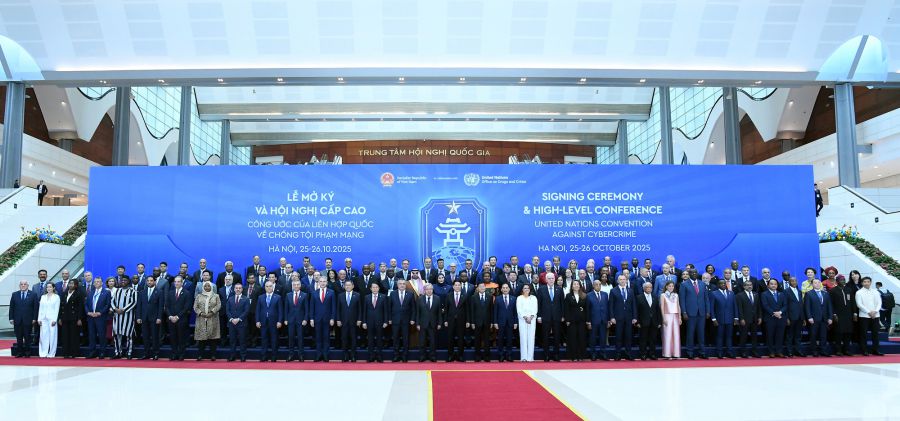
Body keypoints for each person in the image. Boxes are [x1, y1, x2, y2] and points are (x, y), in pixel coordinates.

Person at [679, 271, 710, 359]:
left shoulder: (702, 284)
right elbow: (682, 300)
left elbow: (706, 299)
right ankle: (690, 352)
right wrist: (684, 312)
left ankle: (702, 352)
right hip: (690, 313)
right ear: (689, 274)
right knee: (690, 333)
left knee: (701, 333)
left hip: (702, 313)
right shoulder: (684, 284)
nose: (694, 274)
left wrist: (708, 311)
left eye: (695, 273)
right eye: (692, 273)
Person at [538, 272, 565, 362]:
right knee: (545, 337)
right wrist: (539, 316)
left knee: (557, 336)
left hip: (557, 317)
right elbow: (539, 304)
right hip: (545, 317)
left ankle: (556, 354)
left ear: (555, 279)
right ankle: (546, 355)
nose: (551, 280)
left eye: (552, 278)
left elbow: (562, 304)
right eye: (549, 278)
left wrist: (562, 315)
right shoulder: (541, 289)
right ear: (546, 280)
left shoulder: (559, 289)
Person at [609, 274, 637, 360]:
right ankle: (618, 354)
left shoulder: (630, 291)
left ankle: (628, 353)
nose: (622, 281)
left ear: (626, 280)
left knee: (628, 336)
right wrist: (612, 317)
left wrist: (635, 317)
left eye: (624, 279)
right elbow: (611, 305)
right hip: (618, 317)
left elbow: (634, 305)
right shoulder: (613, 291)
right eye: (620, 279)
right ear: (617, 281)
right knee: (618, 336)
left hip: (629, 317)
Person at [164, 276, 192, 361]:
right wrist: (170, 316)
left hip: (181, 319)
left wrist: (177, 316)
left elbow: (186, 307)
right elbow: (166, 306)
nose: (176, 283)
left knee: (181, 338)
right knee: (173, 337)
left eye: (178, 281)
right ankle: (174, 354)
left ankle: (181, 354)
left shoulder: (187, 293)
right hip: (171, 319)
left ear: (182, 283)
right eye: (175, 282)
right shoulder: (170, 293)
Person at [804, 279, 833, 357]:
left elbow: (829, 306)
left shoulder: (825, 293)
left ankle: (823, 350)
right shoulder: (809, 294)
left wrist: (830, 317)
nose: (817, 284)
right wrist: (809, 317)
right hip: (814, 318)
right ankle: (814, 351)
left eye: (818, 282)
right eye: (815, 283)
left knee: (823, 335)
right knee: (813, 335)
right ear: (812, 284)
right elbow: (807, 307)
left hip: (824, 318)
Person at [389, 278, 416, 362]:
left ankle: (405, 356)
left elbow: (413, 308)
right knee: (395, 338)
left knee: (405, 339)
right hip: (395, 320)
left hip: (406, 321)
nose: (402, 285)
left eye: (403, 284)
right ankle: (396, 355)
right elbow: (389, 308)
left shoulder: (410, 294)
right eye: (400, 283)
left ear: (405, 285)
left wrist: (412, 319)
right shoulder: (392, 294)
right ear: (397, 285)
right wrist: (389, 319)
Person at [136, 276, 162, 360]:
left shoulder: (159, 292)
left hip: (154, 318)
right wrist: (138, 317)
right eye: (148, 281)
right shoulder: (142, 292)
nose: (149, 282)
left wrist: (159, 317)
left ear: (154, 281)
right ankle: (146, 353)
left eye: (151, 280)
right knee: (145, 336)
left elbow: (160, 306)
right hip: (144, 318)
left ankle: (155, 353)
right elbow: (139, 306)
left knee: (155, 336)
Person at [855, 276, 883, 356]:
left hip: (876, 315)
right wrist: (869, 312)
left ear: (870, 282)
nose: (866, 283)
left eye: (868, 281)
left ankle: (876, 350)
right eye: (864, 282)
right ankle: (864, 350)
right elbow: (859, 304)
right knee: (863, 334)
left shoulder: (876, 292)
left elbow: (879, 303)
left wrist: (875, 311)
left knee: (875, 333)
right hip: (864, 315)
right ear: (862, 283)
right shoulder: (859, 292)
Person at [194, 281, 222, 361]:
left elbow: (219, 305)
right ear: (203, 287)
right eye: (205, 286)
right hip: (201, 319)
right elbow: (195, 307)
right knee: (201, 338)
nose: (207, 287)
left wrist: (212, 312)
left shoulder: (216, 296)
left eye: (208, 286)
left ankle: (213, 355)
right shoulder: (199, 296)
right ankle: (200, 355)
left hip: (213, 318)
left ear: (211, 287)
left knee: (213, 338)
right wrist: (201, 313)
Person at [256, 280, 283, 362]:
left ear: (273, 287)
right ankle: (264, 356)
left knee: (274, 340)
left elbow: (280, 311)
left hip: (274, 322)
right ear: (265, 287)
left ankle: (274, 356)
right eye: (267, 286)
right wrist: (257, 321)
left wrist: (279, 321)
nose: (268, 288)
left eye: (270, 286)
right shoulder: (260, 297)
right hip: (263, 322)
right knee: (264, 339)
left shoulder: (278, 297)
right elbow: (258, 310)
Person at [709, 280, 737, 359]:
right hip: (719, 319)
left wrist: (736, 318)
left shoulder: (731, 293)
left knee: (729, 336)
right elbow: (712, 308)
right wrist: (714, 319)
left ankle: (729, 351)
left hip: (730, 319)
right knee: (719, 336)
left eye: (724, 283)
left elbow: (735, 306)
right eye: (721, 283)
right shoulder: (714, 293)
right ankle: (719, 352)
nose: (723, 285)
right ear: (718, 285)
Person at [9, 280, 37, 358]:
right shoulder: (14, 294)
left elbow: (35, 308)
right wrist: (11, 318)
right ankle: (19, 352)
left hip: (28, 319)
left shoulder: (33, 294)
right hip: (17, 320)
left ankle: (27, 352)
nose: (23, 285)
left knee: (27, 337)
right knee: (19, 337)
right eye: (21, 284)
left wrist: (34, 318)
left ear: (28, 285)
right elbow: (11, 307)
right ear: (19, 285)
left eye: (25, 284)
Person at [311, 276, 336, 362]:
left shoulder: (331, 292)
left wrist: (332, 318)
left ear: (327, 282)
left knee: (326, 337)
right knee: (318, 337)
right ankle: (318, 355)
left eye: (324, 281)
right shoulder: (314, 293)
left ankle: (325, 355)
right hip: (317, 319)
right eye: (320, 281)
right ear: (318, 282)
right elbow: (312, 307)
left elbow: (333, 307)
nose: (322, 283)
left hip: (327, 319)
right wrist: (311, 319)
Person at [830, 275, 856, 356]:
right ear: (837, 281)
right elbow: (831, 304)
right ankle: (838, 350)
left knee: (848, 332)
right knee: (839, 333)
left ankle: (847, 350)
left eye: (844, 280)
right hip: (838, 315)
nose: (843, 281)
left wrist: (855, 313)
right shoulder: (833, 291)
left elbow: (853, 302)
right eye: (841, 280)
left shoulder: (849, 290)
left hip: (848, 315)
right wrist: (834, 314)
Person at [110, 277, 137, 359]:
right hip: (117, 316)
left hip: (128, 316)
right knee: (117, 334)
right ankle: (118, 352)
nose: (123, 282)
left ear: (128, 281)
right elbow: (112, 301)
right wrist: (115, 309)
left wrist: (123, 310)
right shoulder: (117, 290)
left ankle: (129, 353)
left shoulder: (133, 291)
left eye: (125, 280)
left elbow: (134, 302)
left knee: (129, 335)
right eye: (122, 280)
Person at [85, 277, 111, 359]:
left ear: (102, 283)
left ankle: (102, 352)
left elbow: (107, 304)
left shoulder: (106, 292)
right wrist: (88, 312)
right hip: (91, 317)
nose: (97, 283)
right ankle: (92, 352)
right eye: (95, 282)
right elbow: (86, 304)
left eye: (98, 282)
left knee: (102, 335)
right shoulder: (90, 292)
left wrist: (100, 312)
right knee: (91, 335)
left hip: (101, 317)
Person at [58, 280, 84, 358]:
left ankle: (74, 353)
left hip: (74, 318)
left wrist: (79, 319)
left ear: (76, 285)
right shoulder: (64, 293)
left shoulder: (79, 294)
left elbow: (80, 307)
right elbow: (61, 307)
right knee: (65, 336)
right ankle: (66, 353)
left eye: (72, 284)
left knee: (74, 336)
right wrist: (60, 318)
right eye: (70, 283)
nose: (70, 285)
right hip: (65, 318)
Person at [284, 279, 309, 362]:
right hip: (290, 320)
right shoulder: (288, 295)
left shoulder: (304, 295)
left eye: (298, 284)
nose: (296, 286)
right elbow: (286, 308)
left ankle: (301, 355)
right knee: (290, 338)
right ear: (292, 286)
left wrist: (305, 319)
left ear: (300, 285)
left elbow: (306, 309)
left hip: (301, 321)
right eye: (294, 285)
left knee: (300, 338)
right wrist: (286, 319)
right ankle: (291, 355)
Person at [415, 283, 441, 362]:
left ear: (432, 290)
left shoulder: (437, 298)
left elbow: (439, 312)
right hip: (422, 323)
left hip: (433, 323)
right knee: (422, 341)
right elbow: (418, 312)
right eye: (427, 289)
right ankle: (422, 356)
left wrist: (440, 323)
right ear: (424, 290)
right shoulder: (420, 299)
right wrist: (417, 323)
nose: (429, 291)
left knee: (433, 342)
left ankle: (432, 356)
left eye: (430, 289)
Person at [761, 279, 787, 358]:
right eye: (771, 284)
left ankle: (779, 351)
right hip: (770, 318)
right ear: (768, 285)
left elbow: (785, 305)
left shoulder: (781, 294)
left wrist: (780, 312)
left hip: (781, 318)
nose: (773, 285)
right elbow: (765, 305)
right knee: (770, 335)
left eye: (775, 284)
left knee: (780, 335)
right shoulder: (764, 294)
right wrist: (774, 313)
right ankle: (771, 352)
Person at [337, 279, 361, 362]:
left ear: (353, 286)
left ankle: (353, 356)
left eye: (349, 285)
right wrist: (338, 320)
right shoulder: (340, 295)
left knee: (353, 339)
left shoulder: (357, 295)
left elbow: (360, 309)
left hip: (354, 321)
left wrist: (359, 319)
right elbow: (338, 309)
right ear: (344, 286)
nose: (347, 286)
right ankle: (345, 356)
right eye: (346, 285)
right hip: (343, 321)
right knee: (344, 339)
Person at [735, 280, 761, 358]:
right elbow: (739, 308)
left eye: (750, 285)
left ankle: (754, 351)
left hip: (755, 319)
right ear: (744, 286)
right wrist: (741, 319)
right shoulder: (739, 295)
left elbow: (759, 307)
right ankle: (743, 352)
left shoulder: (756, 294)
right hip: (744, 319)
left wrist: (760, 317)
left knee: (754, 336)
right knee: (743, 336)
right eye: (747, 285)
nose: (749, 286)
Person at [363, 281, 388, 362]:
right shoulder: (367, 297)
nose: (375, 289)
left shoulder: (383, 297)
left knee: (379, 339)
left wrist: (385, 321)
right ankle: (371, 356)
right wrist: (364, 322)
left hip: (380, 322)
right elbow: (364, 311)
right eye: (373, 287)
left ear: (379, 288)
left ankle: (379, 356)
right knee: (370, 340)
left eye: (376, 287)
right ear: (370, 289)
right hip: (369, 322)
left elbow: (386, 310)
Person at [444, 280, 469, 362]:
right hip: (450, 320)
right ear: (453, 286)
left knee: (461, 338)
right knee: (450, 338)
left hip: (461, 320)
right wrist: (445, 320)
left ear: (461, 286)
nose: (457, 286)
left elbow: (467, 310)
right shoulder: (448, 296)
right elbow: (446, 309)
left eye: (459, 285)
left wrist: (468, 321)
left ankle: (460, 356)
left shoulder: (465, 295)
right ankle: (450, 355)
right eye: (456, 285)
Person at [586, 280, 610, 360]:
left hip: (603, 320)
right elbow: (588, 310)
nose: (598, 286)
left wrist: (608, 320)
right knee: (592, 338)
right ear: (593, 286)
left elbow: (608, 308)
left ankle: (603, 353)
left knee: (603, 338)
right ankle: (593, 354)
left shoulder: (605, 294)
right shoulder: (589, 295)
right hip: (593, 321)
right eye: (596, 284)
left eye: (599, 284)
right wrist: (588, 322)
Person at [564, 280, 588, 361]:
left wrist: (587, 320)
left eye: (578, 284)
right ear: (572, 286)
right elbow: (566, 309)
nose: (576, 285)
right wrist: (567, 320)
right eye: (574, 284)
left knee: (581, 338)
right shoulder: (568, 296)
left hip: (582, 320)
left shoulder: (584, 295)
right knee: (572, 338)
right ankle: (573, 356)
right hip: (571, 320)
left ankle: (581, 356)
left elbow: (586, 308)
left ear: (580, 286)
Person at [226, 282, 250, 362]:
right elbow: (227, 310)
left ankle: (243, 356)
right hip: (231, 323)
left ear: (242, 289)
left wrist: (238, 319)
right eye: (236, 288)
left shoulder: (246, 299)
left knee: (242, 340)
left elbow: (246, 311)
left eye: (239, 288)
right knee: (232, 340)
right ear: (234, 289)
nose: (238, 289)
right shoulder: (230, 298)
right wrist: (232, 319)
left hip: (241, 323)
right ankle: (232, 356)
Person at [494, 283, 518, 362]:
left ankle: (509, 355)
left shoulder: (514, 298)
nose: (505, 289)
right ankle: (500, 355)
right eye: (503, 288)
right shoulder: (497, 298)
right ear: (501, 289)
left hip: (510, 322)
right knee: (500, 339)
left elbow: (515, 312)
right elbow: (495, 311)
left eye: (506, 288)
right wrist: (495, 322)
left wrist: (515, 322)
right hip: (500, 322)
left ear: (509, 289)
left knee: (509, 340)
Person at [470, 282, 493, 362]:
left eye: (483, 286)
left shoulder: (490, 297)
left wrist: (492, 322)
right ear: (478, 288)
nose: (482, 288)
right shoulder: (473, 297)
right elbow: (472, 311)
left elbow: (491, 310)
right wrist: (472, 322)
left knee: (487, 340)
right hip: (477, 322)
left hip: (487, 322)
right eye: (481, 286)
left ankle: (487, 356)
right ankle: (477, 356)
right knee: (477, 340)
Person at [783, 277, 806, 357]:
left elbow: (801, 305)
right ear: (789, 282)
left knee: (798, 335)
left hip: (800, 317)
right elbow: (785, 305)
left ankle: (798, 350)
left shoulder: (799, 291)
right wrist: (787, 318)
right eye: (792, 281)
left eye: (795, 280)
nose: (794, 282)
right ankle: (789, 351)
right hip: (791, 317)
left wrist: (803, 318)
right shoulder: (786, 291)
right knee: (790, 335)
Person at [516, 283, 538, 362]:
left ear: (530, 289)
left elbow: (535, 309)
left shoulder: (533, 298)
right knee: (523, 338)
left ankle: (530, 357)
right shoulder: (519, 298)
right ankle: (524, 357)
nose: (526, 289)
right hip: (522, 320)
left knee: (531, 338)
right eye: (525, 288)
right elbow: (519, 310)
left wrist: (531, 317)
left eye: (528, 288)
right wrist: (525, 317)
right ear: (522, 289)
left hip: (532, 320)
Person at [37, 283, 60, 358]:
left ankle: (51, 353)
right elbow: (40, 308)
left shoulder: (56, 297)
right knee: (43, 336)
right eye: (47, 287)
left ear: (53, 288)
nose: (48, 288)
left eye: (50, 287)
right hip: (43, 319)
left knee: (52, 336)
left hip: (52, 319)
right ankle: (43, 352)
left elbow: (57, 309)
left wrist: (55, 319)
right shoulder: (43, 297)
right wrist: (39, 319)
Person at [659, 281, 681, 359]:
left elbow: (678, 306)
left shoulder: (676, 295)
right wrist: (663, 318)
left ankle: (676, 353)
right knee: (667, 335)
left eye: (672, 286)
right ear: (666, 287)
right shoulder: (663, 295)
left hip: (675, 316)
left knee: (676, 335)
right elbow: (662, 307)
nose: (671, 287)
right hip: (667, 316)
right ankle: (667, 354)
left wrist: (680, 317)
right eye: (669, 286)